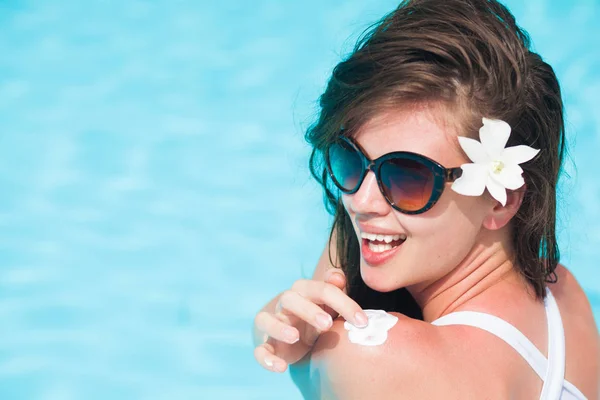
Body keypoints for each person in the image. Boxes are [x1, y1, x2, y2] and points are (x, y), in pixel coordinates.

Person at [252, 0, 599, 398]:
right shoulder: (562, 293)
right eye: (349, 159)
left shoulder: (373, 358)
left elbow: (298, 356)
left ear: (500, 202)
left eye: (407, 177)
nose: (362, 201)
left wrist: (272, 330)